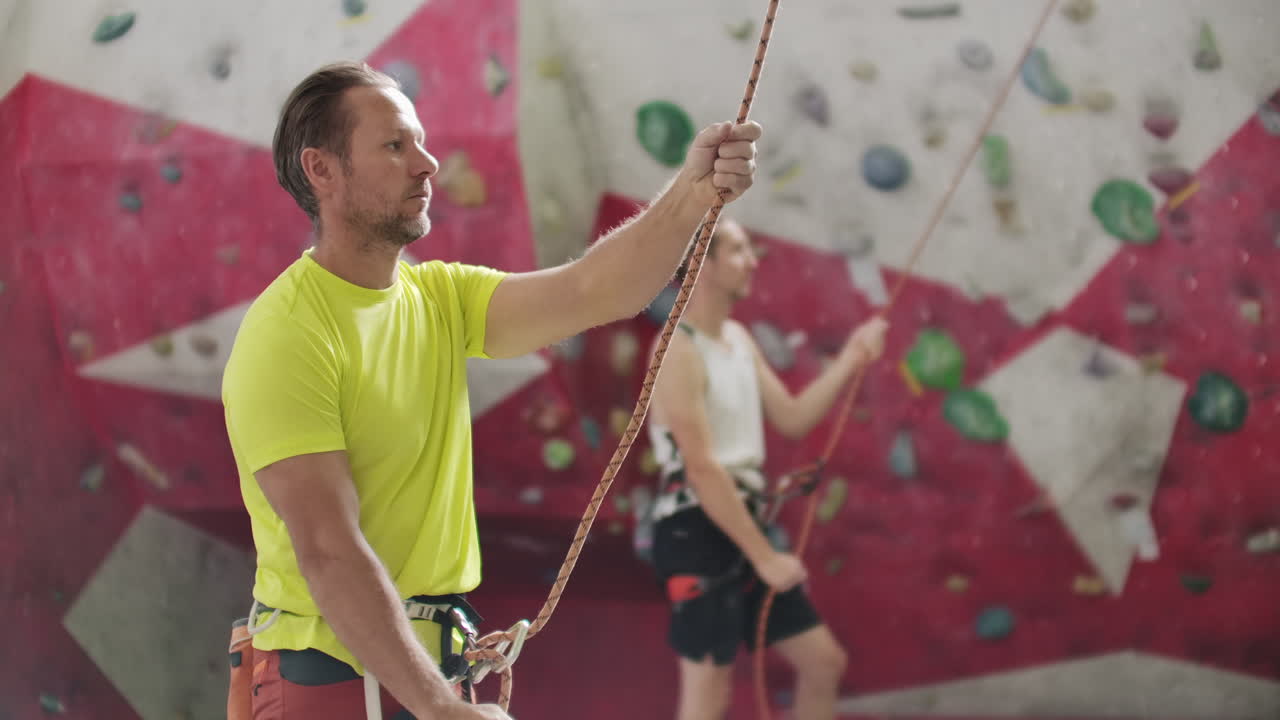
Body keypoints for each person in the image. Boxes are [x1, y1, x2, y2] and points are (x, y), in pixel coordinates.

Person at [220, 60, 762, 720]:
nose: (427, 164)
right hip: (335, 678)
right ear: (322, 170)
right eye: (394, 145)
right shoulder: (287, 333)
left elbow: (593, 289)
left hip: (424, 672)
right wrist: (440, 709)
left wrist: (691, 196)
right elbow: (328, 552)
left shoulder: (438, 297)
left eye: (420, 142)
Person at [646, 218, 888, 720]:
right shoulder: (677, 350)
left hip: (742, 521)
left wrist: (851, 358)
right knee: (708, 693)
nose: (752, 262)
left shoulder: (737, 338)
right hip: (696, 528)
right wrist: (764, 557)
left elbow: (792, 418)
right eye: (738, 251)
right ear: (701, 265)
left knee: (823, 663)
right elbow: (702, 468)